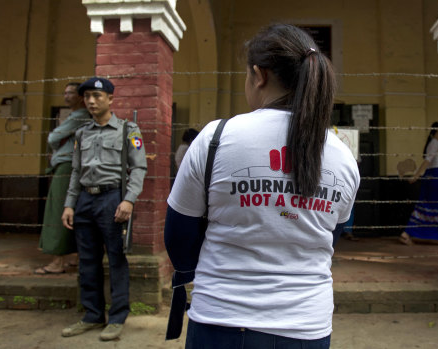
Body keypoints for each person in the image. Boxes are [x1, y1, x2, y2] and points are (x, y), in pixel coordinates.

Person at [165, 24, 360, 348]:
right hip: (307, 327)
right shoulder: (344, 157)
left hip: (220, 320)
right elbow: (328, 239)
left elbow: (178, 238)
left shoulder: (216, 138)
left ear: (259, 75)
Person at [60, 77, 147, 341]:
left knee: (116, 259)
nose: (91, 101)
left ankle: (118, 317)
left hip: (112, 199)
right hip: (85, 200)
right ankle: (92, 315)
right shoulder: (81, 133)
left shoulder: (128, 130)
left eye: (97, 96)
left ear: (110, 99)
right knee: (87, 262)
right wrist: (69, 204)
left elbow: (139, 167)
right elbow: (76, 171)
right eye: (87, 96)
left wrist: (129, 200)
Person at [35, 82, 89, 274]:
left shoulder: (79, 116)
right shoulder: (78, 116)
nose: (66, 96)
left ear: (81, 97)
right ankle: (73, 255)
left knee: (58, 210)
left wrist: (56, 143)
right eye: (65, 92)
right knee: (71, 209)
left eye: (71, 93)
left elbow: (52, 138)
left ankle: (57, 261)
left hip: (66, 166)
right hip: (73, 166)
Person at [399, 121, 438, 245]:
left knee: (428, 205)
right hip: (435, 178)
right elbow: (427, 161)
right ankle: (408, 233)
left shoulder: (435, 144)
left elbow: (434, 163)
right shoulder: (434, 144)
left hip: (437, 175)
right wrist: (416, 176)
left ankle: (408, 233)